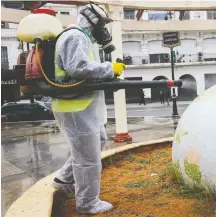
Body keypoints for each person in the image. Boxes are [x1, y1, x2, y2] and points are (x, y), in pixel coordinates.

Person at [50, 4, 125, 215]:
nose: (104, 30)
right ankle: (87, 203)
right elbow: (78, 68)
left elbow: (84, 70)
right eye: (102, 25)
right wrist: (110, 68)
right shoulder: (75, 37)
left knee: (96, 142)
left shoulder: (83, 39)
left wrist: (109, 72)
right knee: (88, 159)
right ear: (92, 22)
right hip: (75, 107)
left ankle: (64, 180)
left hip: (81, 106)